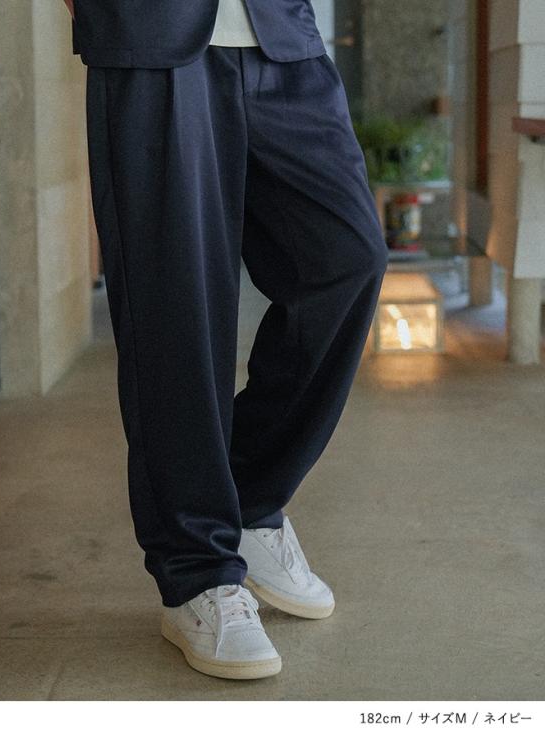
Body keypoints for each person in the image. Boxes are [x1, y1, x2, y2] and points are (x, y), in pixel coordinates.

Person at [65, 0, 388, 680]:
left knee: (346, 259)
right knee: (176, 307)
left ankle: (249, 500)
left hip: (283, 38)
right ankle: (198, 573)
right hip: (152, 40)